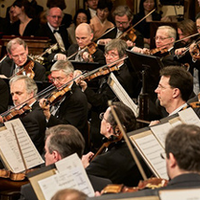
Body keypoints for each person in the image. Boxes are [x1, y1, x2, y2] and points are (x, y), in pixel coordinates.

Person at [76, 38, 141, 150]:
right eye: (107, 54)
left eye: (113, 55)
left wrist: (86, 89)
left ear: (123, 56)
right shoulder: (109, 69)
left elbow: (102, 102)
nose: (108, 58)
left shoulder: (122, 77)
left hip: (109, 121)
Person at [19, 124, 112, 200]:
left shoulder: (31, 192)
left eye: (46, 151)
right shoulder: (104, 186)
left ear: (55, 155)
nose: (45, 156)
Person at [82, 102, 150, 186]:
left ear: (109, 128)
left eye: (103, 117)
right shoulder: (139, 147)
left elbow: (85, 179)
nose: (101, 119)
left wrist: (85, 166)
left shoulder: (104, 161)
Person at [39, 60, 88, 148]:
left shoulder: (77, 98)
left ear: (71, 76)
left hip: (69, 145)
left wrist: (48, 115)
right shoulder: (59, 90)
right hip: (53, 138)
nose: (55, 83)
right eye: (53, 78)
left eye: (59, 78)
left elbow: (66, 128)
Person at [0, 75, 46, 154]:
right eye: (12, 94)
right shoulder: (27, 111)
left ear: (31, 94)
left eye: (18, 93)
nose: (14, 98)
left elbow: (16, 148)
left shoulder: (32, 117)